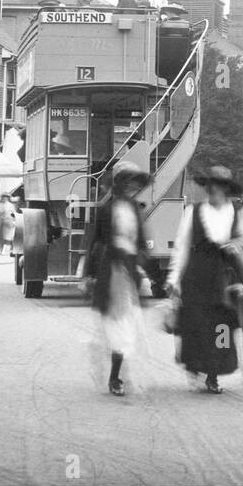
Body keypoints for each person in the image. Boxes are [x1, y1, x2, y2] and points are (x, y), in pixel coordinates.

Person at [167, 166, 243, 394]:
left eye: (219, 185)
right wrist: (173, 278)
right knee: (195, 325)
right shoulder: (193, 212)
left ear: (226, 189)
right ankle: (195, 367)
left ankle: (214, 372)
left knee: (222, 326)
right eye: (211, 185)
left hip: (226, 277)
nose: (214, 189)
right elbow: (182, 246)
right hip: (197, 275)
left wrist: (237, 252)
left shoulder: (239, 212)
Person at [89, 163, 151, 397]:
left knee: (126, 326)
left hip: (129, 271)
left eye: (135, 182)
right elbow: (95, 242)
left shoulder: (136, 209)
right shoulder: (106, 209)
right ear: (120, 184)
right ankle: (115, 377)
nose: (132, 187)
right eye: (128, 182)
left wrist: (142, 260)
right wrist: (89, 274)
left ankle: (117, 371)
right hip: (111, 270)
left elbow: (142, 241)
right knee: (115, 327)